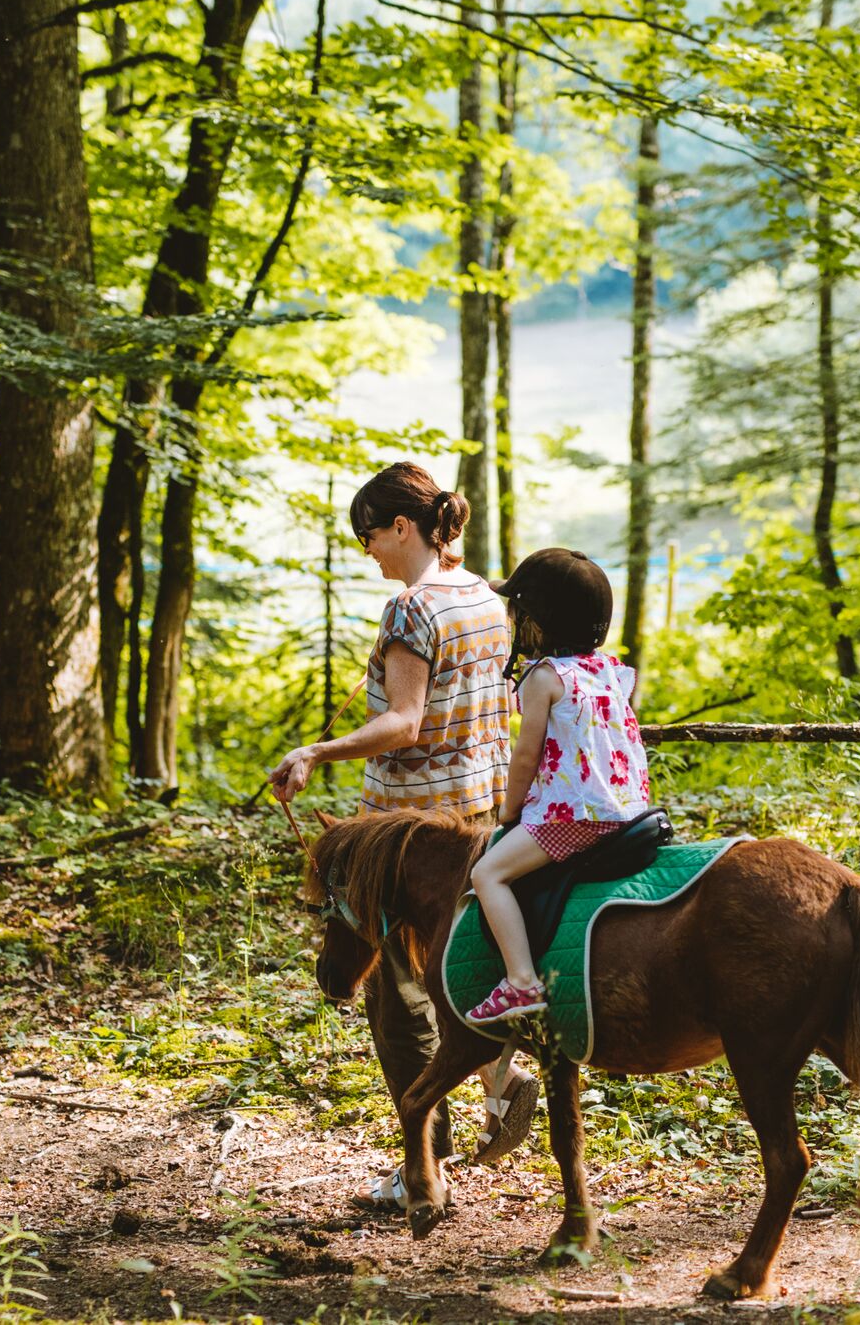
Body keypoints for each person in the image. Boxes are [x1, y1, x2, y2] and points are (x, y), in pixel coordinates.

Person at [267, 461, 539, 1189]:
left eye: (370, 535)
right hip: (477, 820)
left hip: (408, 833)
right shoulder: (483, 595)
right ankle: (495, 1084)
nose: (368, 552)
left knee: (396, 1000)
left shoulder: (411, 610)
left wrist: (315, 750)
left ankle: (429, 1159)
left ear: (402, 526)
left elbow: (405, 720)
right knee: (461, 970)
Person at [465, 548, 654, 1023]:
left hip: (575, 815)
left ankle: (521, 983)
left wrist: (509, 812)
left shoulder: (543, 678)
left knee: (487, 874)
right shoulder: (608, 671)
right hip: (629, 810)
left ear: (536, 620)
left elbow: (526, 756)